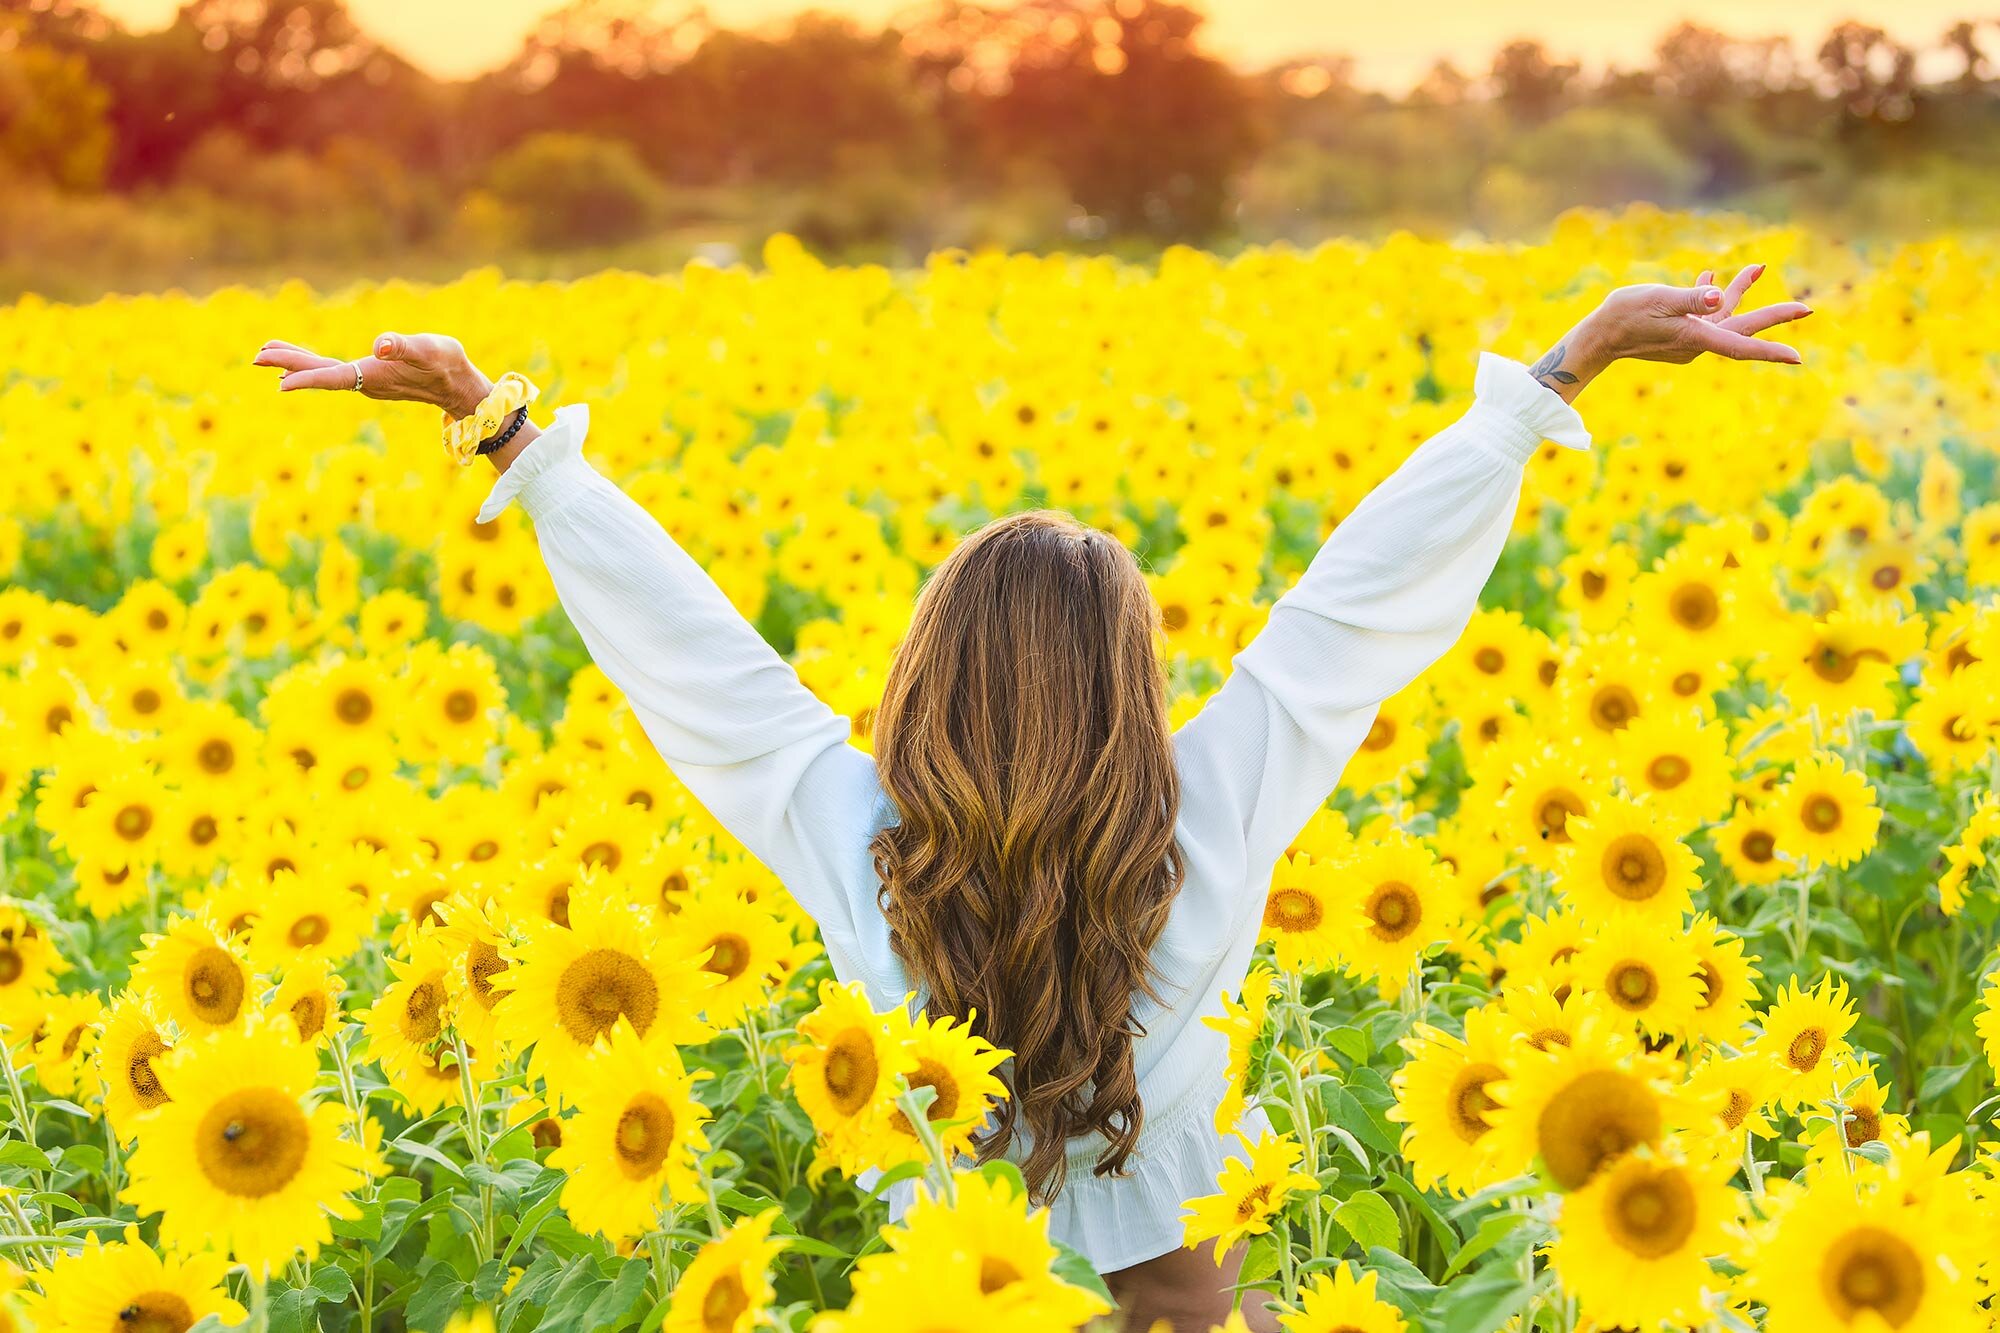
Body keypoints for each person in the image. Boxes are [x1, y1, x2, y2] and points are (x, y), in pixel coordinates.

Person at [255, 264, 1808, 1330]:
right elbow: (1359, 604)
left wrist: (511, 433)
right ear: (1134, 683)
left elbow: (697, 665)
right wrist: (1564, 365)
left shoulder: (867, 849)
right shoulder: (1206, 808)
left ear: (925, 676)